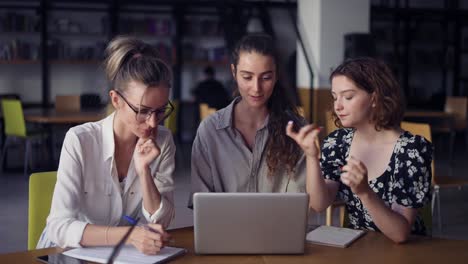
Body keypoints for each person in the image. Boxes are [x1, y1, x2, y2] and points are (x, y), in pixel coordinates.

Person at [37, 36, 176, 255]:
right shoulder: (80, 140)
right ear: (116, 100)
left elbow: (162, 221)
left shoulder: (163, 140)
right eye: (143, 110)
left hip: (120, 254)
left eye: (160, 111)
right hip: (66, 252)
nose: (152, 122)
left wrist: (144, 171)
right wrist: (129, 236)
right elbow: (59, 227)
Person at [286, 57, 433, 243]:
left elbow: (400, 234)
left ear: (374, 98)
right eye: (334, 97)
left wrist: (365, 192)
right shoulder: (338, 143)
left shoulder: (411, 150)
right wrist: (311, 156)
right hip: (358, 247)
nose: (337, 106)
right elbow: (319, 203)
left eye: (348, 97)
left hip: (404, 254)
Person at [189, 34, 306, 207]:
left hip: (277, 231)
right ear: (234, 72)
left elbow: (300, 202)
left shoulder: (295, 129)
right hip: (225, 231)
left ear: (276, 76)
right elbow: (201, 203)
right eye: (247, 77)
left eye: (265, 78)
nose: (256, 88)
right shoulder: (210, 130)